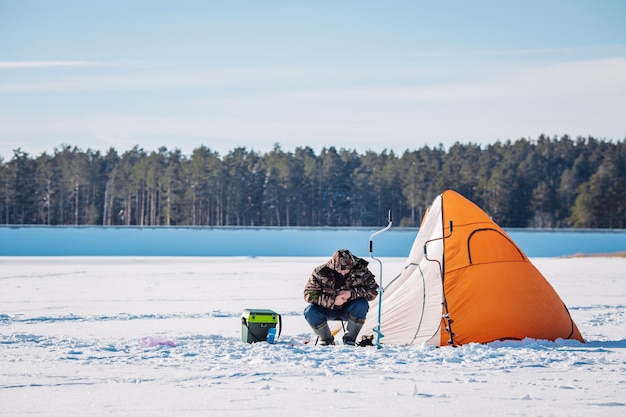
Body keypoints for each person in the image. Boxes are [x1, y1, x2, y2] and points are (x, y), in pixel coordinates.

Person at [303, 249, 378, 345]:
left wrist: (351, 293)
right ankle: (326, 340)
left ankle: (350, 339)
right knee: (310, 311)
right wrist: (333, 301)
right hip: (327, 309)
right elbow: (308, 294)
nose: (343, 273)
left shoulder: (361, 270)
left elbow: (373, 291)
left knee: (361, 304)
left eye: (346, 269)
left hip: (351, 309)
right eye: (339, 269)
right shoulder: (320, 272)